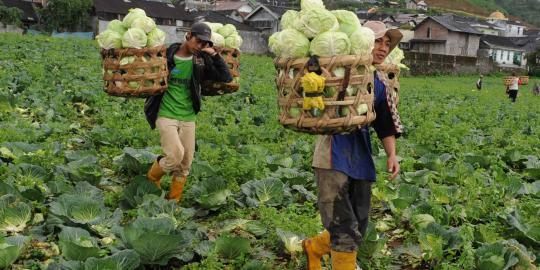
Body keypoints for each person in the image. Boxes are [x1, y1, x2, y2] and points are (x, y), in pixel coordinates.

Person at [302, 21, 403, 270]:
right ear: (362, 42)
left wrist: (392, 155)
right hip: (331, 155)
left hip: (360, 158)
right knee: (343, 226)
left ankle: (313, 248)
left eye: (387, 43)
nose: (383, 47)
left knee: (358, 224)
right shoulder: (337, 73)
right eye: (378, 41)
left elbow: (386, 122)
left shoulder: (379, 82)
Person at [144, 22, 232, 202]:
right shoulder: (167, 55)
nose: (200, 46)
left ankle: (173, 202)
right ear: (188, 35)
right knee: (175, 155)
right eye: (198, 41)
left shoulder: (201, 60)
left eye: (204, 44)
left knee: (185, 164)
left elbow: (226, 77)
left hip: (188, 115)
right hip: (165, 112)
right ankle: (152, 178)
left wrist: (214, 55)